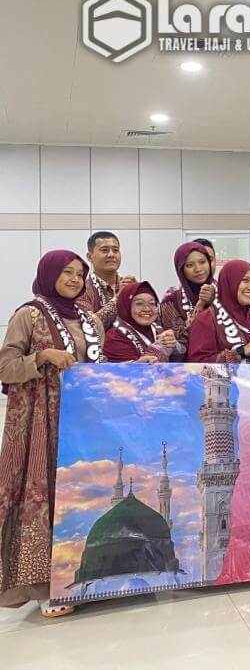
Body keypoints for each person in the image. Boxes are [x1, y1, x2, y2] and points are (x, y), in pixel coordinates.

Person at [0, 251, 105, 616]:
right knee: (45, 492)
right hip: (42, 424)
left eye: (80, 274)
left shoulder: (90, 320)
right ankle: (47, 588)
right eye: (67, 273)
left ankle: (84, 576)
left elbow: (97, 366)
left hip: (83, 423)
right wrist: (42, 357)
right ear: (49, 275)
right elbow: (5, 367)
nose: (75, 279)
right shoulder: (28, 314)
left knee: (81, 494)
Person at [103, 282, 182, 362]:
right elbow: (127, 372)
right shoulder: (114, 338)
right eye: (139, 304)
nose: (147, 309)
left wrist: (174, 346)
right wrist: (160, 347)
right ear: (126, 306)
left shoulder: (158, 329)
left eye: (152, 303)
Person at [160, 241, 216, 346]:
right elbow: (178, 342)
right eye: (190, 265)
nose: (198, 269)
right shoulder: (170, 301)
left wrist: (215, 301)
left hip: (226, 360)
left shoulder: (224, 291)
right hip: (187, 361)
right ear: (181, 270)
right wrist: (201, 304)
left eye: (202, 262)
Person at [77, 231, 137, 328]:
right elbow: (88, 326)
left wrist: (138, 294)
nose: (111, 255)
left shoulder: (129, 285)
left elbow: (152, 321)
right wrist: (119, 298)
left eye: (115, 250)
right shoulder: (82, 289)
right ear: (89, 256)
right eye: (104, 250)